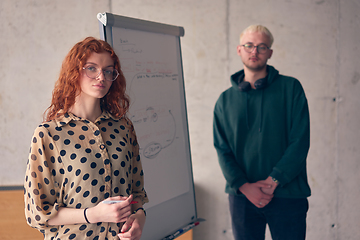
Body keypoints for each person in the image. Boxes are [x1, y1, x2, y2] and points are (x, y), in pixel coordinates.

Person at [24, 37, 148, 240]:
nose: (101, 77)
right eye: (91, 68)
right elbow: (36, 212)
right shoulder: (49, 134)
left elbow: (137, 192)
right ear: (74, 72)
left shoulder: (124, 128)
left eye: (108, 71)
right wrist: (93, 214)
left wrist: (139, 218)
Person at [213, 25, 311, 240]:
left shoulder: (291, 88)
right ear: (239, 50)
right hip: (242, 197)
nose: (254, 51)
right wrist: (245, 187)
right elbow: (222, 149)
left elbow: (300, 140)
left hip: (288, 193)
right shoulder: (224, 100)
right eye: (249, 45)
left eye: (261, 46)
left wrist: (274, 180)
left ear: (270, 52)